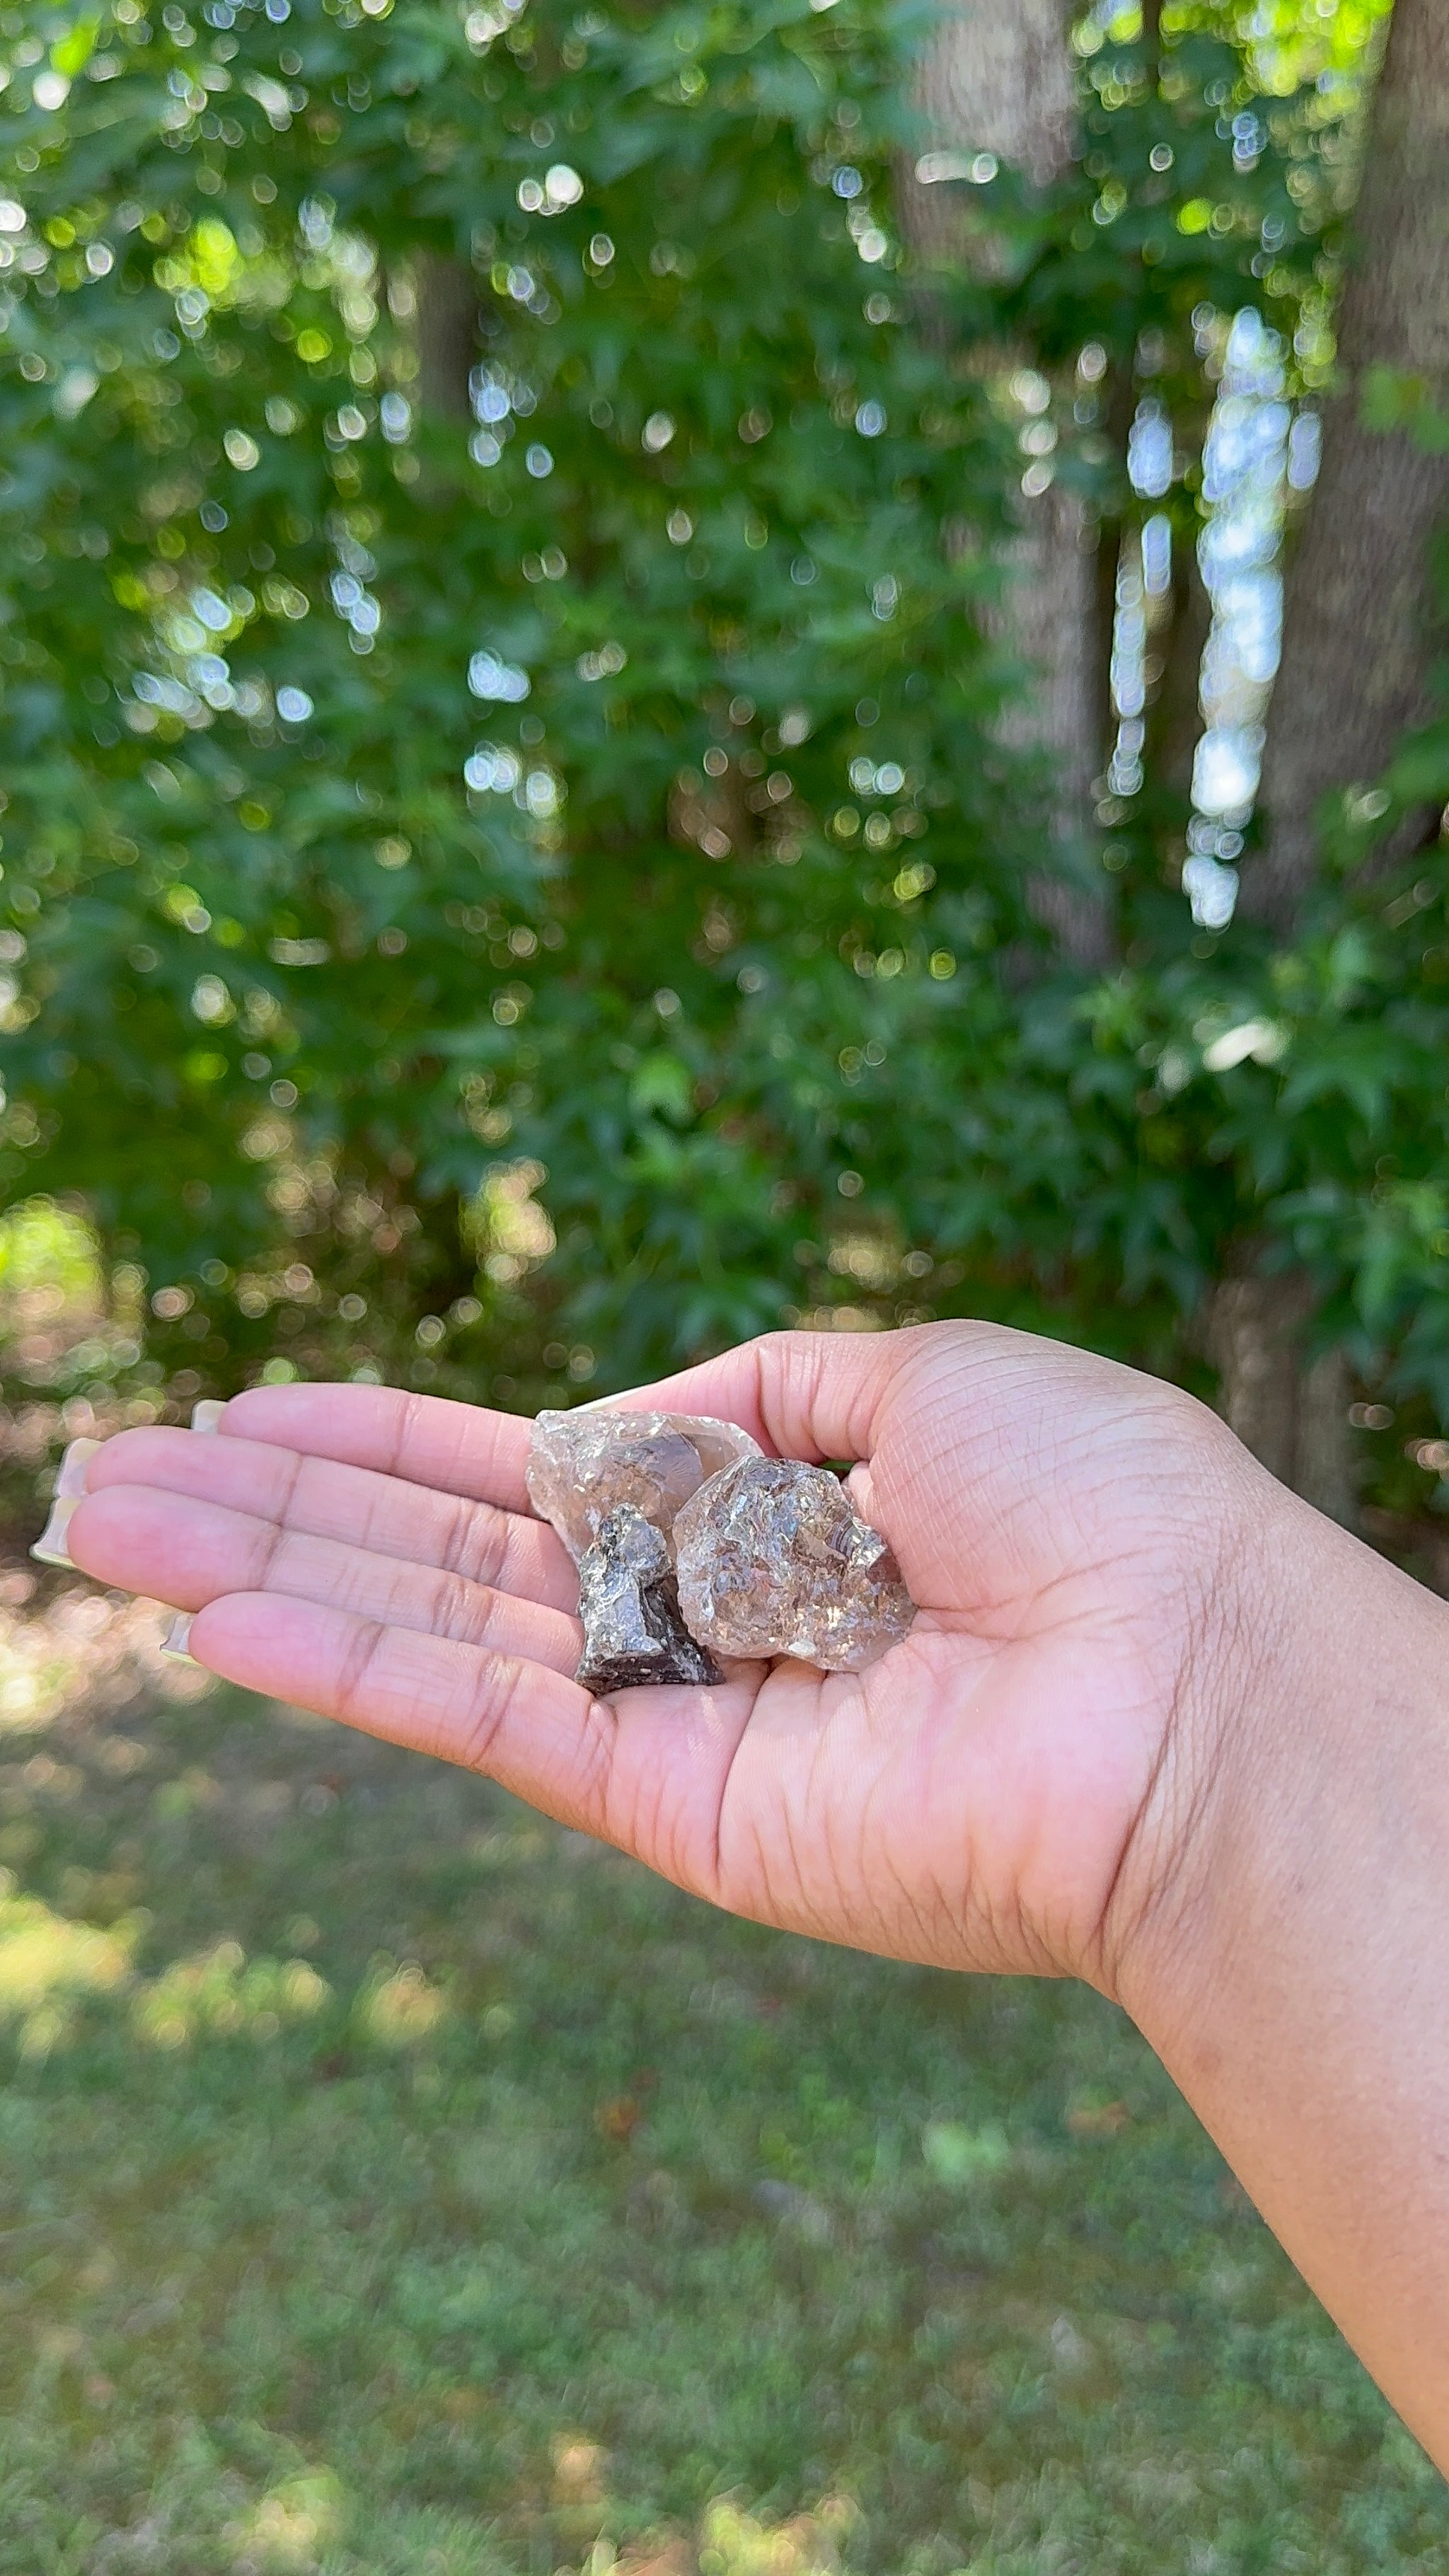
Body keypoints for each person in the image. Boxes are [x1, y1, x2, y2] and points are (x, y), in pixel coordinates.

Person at [59, 1322, 1449, 2471]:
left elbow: (777, 1574)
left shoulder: (762, 1519)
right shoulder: (655, 1503)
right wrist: (1197, 1764)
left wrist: (1198, 1696)